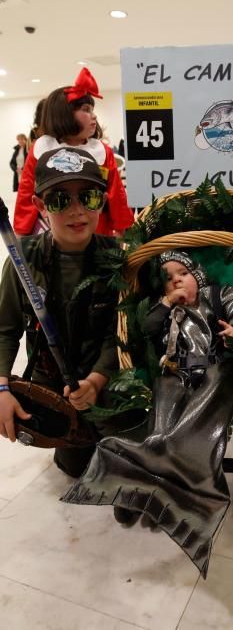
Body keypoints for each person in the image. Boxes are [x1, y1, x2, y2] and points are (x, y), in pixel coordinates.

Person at [62, 249, 233, 576]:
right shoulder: (170, 310)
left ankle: (169, 488)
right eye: (169, 278)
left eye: (183, 274)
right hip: (175, 374)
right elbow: (147, 327)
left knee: (203, 405)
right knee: (158, 431)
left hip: (215, 369)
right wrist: (166, 302)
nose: (176, 280)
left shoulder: (217, 295)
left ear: (198, 275)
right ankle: (149, 479)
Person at [0, 146, 122, 477]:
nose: (76, 210)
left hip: (108, 378)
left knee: (120, 461)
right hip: (51, 384)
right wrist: (1, 389)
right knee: (76, 468)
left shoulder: (118, 259)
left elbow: (123, 333)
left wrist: (96, 381)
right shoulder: (23, 258)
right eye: (59, 200)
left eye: (89, 197)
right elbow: (5, 329)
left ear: (102, 199)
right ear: (40, 206)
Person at [13, 68, 134, 237]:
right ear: (64, 114)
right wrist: (22, 233)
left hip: (97, 230)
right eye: (86, 109)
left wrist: (124, 230)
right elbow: (27, 193)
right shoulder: (42, 148)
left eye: (92, 110)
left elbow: (116, 194)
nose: (94, 116)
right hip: (54, 229)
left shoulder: (101, 151)